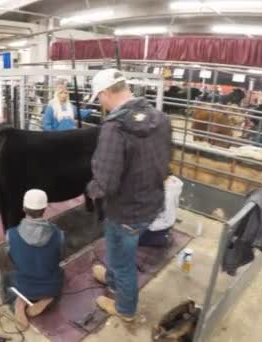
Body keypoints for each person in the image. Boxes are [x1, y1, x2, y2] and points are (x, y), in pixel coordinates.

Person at [86, 69, 171, 321]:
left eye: (98, 98)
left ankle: (125, 309)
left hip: (124, 210)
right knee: (117, 251)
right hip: (151, 203)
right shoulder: (160, 118)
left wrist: (91, 191)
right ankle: (112, 279)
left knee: (123, 261)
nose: (100, 104)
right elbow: (165, 162)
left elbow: (106, 182)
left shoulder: (114, 128)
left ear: (105, 93)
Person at [3, 189, 64, 329]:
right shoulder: (58, 234)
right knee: (60, 272)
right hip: (49, 285)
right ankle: (46, 298)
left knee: (7, 277)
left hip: (23, 284)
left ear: (23, 208)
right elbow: (60, 257)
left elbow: (11, 258)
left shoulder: (10, 235)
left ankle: (20, 301)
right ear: (45, 209)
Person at [139, 173, 183, 247]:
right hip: (167, 224)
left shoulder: (163, 193)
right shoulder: (174, 183)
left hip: (156, 228)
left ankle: (159, 240)